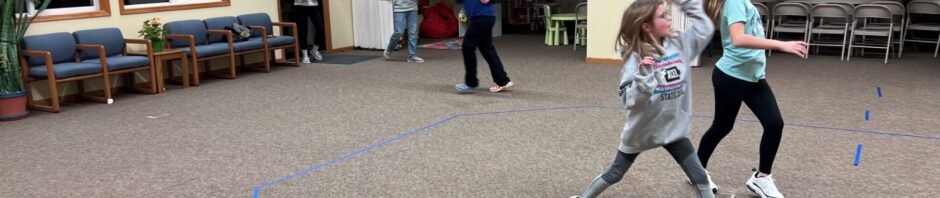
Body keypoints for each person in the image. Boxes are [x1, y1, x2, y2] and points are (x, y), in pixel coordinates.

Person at [571, 0, 715, 197]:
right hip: (642, 129)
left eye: (668, 13)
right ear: (646, 26)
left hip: (672, 128)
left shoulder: (680, 44)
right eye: (663, 15)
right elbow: (630, 101)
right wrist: (645, 77)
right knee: (615, 173)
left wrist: (685, 2)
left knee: (700, 178)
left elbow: (705, 27)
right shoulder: (635, 57)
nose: (670, 17)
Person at [697, 0, 808, 197]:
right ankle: (697, 171)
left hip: (754, 77)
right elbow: (738, 38)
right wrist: (781, 44)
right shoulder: (735, 1)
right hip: (731, 76)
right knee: (722, 126)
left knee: (774, 124)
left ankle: (761, 178)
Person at [454, 0, 513, 93]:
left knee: (468, 46)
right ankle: (503, 80)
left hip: (483, 18)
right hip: (477, 18)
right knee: (487, 49)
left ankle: (471, 82)